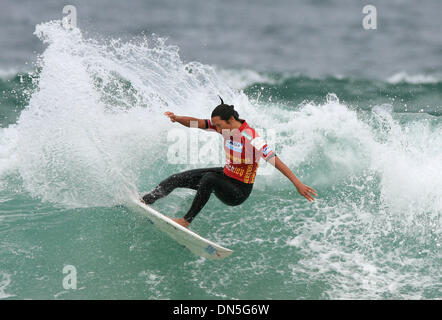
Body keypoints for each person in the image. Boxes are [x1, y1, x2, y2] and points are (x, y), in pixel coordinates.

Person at [141, 98, 317, 228]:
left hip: (238, 191)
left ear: (231, 120)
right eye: (215, 126)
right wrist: (177, 118)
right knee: (177, 178)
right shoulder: (224, 127)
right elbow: (197, 123)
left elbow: (274, 159)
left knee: (209, 178)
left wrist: (297, 183)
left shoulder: (250, 136)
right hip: (225, 176)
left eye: (219, 125)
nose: (216, 129)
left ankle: (185, 221)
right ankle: (145, 201)